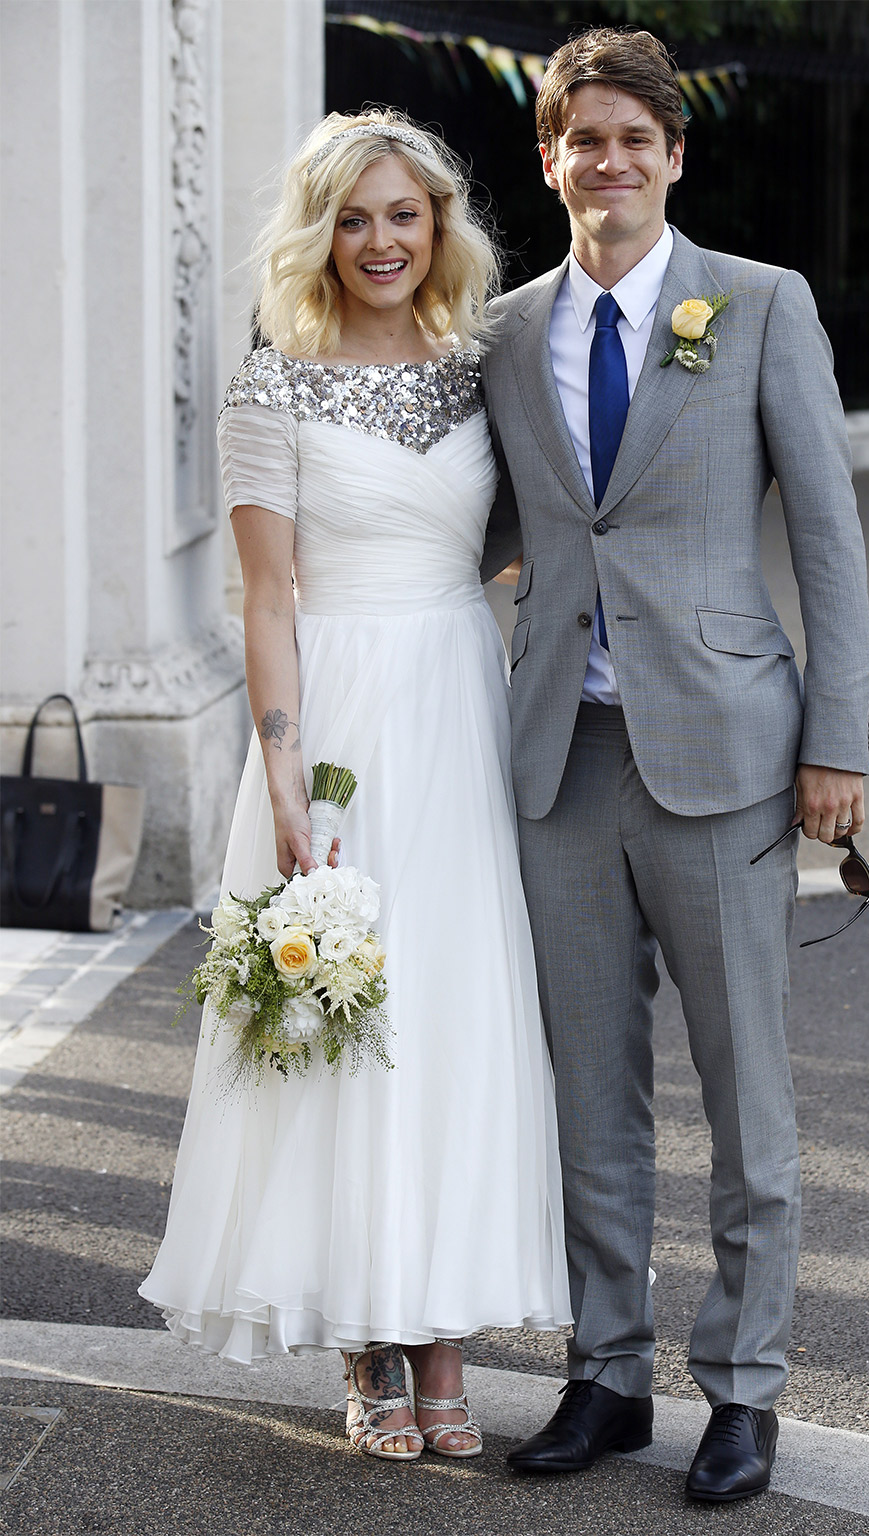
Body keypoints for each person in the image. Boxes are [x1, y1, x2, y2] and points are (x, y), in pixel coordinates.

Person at [140, 110, 570, 1464]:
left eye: (405, 215)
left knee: (451, 1024)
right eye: (354, 217)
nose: (382, 242)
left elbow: (528, 536)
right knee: (340, 1033)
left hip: (463, 713)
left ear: (440, 227)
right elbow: (265, 599)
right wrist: (281, 780)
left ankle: (441, 1341)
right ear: (318, 231)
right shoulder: (275, 386)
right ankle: (368, 1350)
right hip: (338, 732)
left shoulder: (480, 362)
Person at [480, 29, 869, 1502]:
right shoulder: (510, 332)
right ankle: (605, 1372)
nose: (612, 162)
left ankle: (747, 1392)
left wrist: (842, 739)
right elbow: (485, 526)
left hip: (729, 754)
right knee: (593, 1090)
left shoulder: (757, 306)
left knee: (745, 1092)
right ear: (551, 159)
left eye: (638, 139)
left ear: (675, 158)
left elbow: (827, 534)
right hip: (561, 764)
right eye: (586, 138)